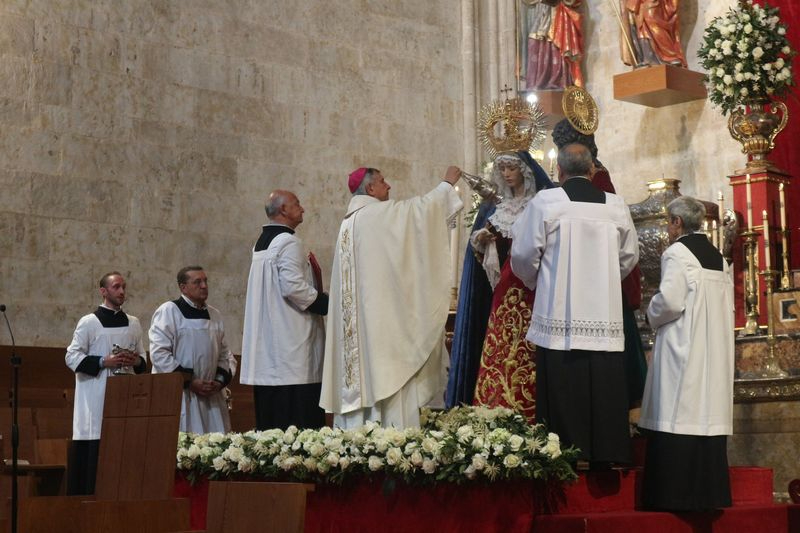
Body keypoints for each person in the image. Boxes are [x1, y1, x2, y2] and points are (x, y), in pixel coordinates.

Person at [510, 143, 639, 467]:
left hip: (559, 315)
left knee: (564, 389)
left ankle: (565, 457)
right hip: (605, 316)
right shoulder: (615, 206)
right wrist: (605, 278)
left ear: (559, 172)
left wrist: (538, 283)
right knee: (604, 386)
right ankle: (607, 455)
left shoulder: (546, 203)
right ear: (592, 170)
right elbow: (628, 257)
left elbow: (524, 256)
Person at [320, 166, 463, 429]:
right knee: (388, 374)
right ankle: (393, 438)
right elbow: (420, 212)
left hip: (361, 330)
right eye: (383, 182)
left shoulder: (349, 223)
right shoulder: (376, 214)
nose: (389, 186)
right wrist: (446, 185)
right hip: (381, 329)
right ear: (370, 188)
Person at [640, 196, 734, 511]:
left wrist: (649, 312)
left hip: (683, 346)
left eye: (668, 222)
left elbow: (670, 302)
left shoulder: (677, 254)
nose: (667, 229)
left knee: (677, 410)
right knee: (705, 411)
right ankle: (708, 495)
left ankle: (673, 496)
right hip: (713, 349)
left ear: (677, 222)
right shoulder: (719, 258)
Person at [551, 118, 647, 407]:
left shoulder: (596, 179)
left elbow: (625, 249)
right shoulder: (595, 174)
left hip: (588, 284)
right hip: (599, 278)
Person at [466, 152, 553, 423]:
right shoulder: (499, 209)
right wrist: (485, 239)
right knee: (501, 344)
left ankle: (533, 407)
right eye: (502, 169)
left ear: (524, 171)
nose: (506, 174)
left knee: (531, 345)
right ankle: (495, 405)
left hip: (532, 286)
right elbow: (486, 249)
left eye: (511, 168)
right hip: (505, 287)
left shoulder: (537, 204)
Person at [241, 190, 328, 430]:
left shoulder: (262, 243)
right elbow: (293, 288)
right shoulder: (289, 241)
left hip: (271, 354)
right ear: (283, 210)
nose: (302, 208)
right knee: (299, 432)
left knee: (271, 430)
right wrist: (325, 303)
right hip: (293, 356)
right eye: (297, 204)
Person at [65, 272, 147, 495]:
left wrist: (135, 360)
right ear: (103, 291)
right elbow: (71, 357)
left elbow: (143, 359)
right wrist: (103, 361)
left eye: (123, 287)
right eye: (116, 287)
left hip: (125, 396)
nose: (121, 291)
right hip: (96, 397)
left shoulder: (134, 323)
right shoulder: (89, 322)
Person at [150, 266, 237, 434]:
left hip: (211, 396)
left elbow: (225, 355)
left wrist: (218, 382)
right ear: (183, 287)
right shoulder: (169, 311)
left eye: (205, 281)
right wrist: (190, 382)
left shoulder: (214, 314)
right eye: (197, 282)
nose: (204, 286)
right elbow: (159, 354)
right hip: (181, 394)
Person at [520, 0, 584, 90]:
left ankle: (558, 82)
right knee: (533, 41)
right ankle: (538, 83)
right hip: (541, 14)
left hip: (559, 14)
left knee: (555, 46)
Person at [620, 0, 687, 68]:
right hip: (639, 4)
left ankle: (669, 56)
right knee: (642, 27)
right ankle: (648, 58)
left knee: (652, 20)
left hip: (656, 3)